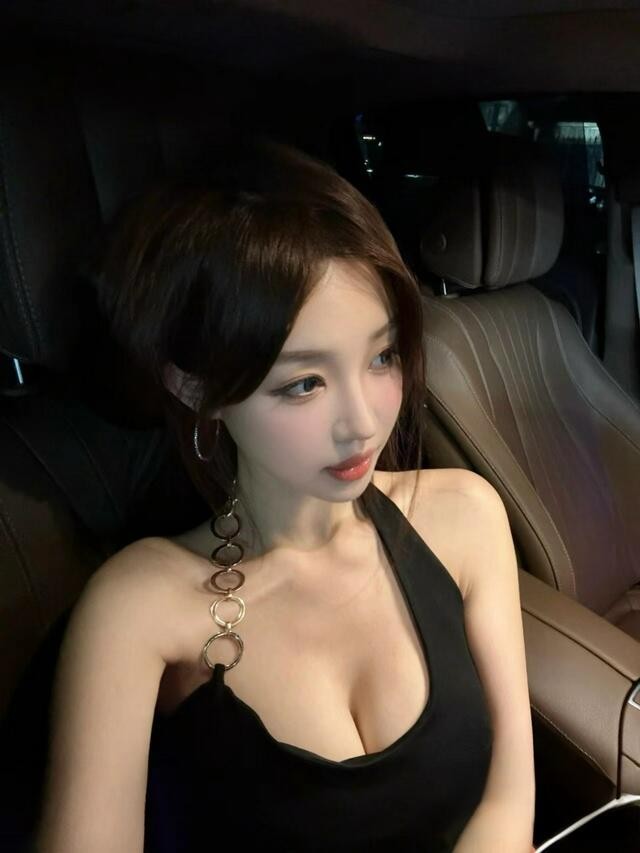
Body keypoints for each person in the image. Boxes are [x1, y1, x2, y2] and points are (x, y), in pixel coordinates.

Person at [34, 136, 536, 852]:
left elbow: (509, 795)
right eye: (304, 383)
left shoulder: (464, 516)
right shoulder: (139, 608)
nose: (363, 422)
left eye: (383, 355)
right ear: (196, 386)